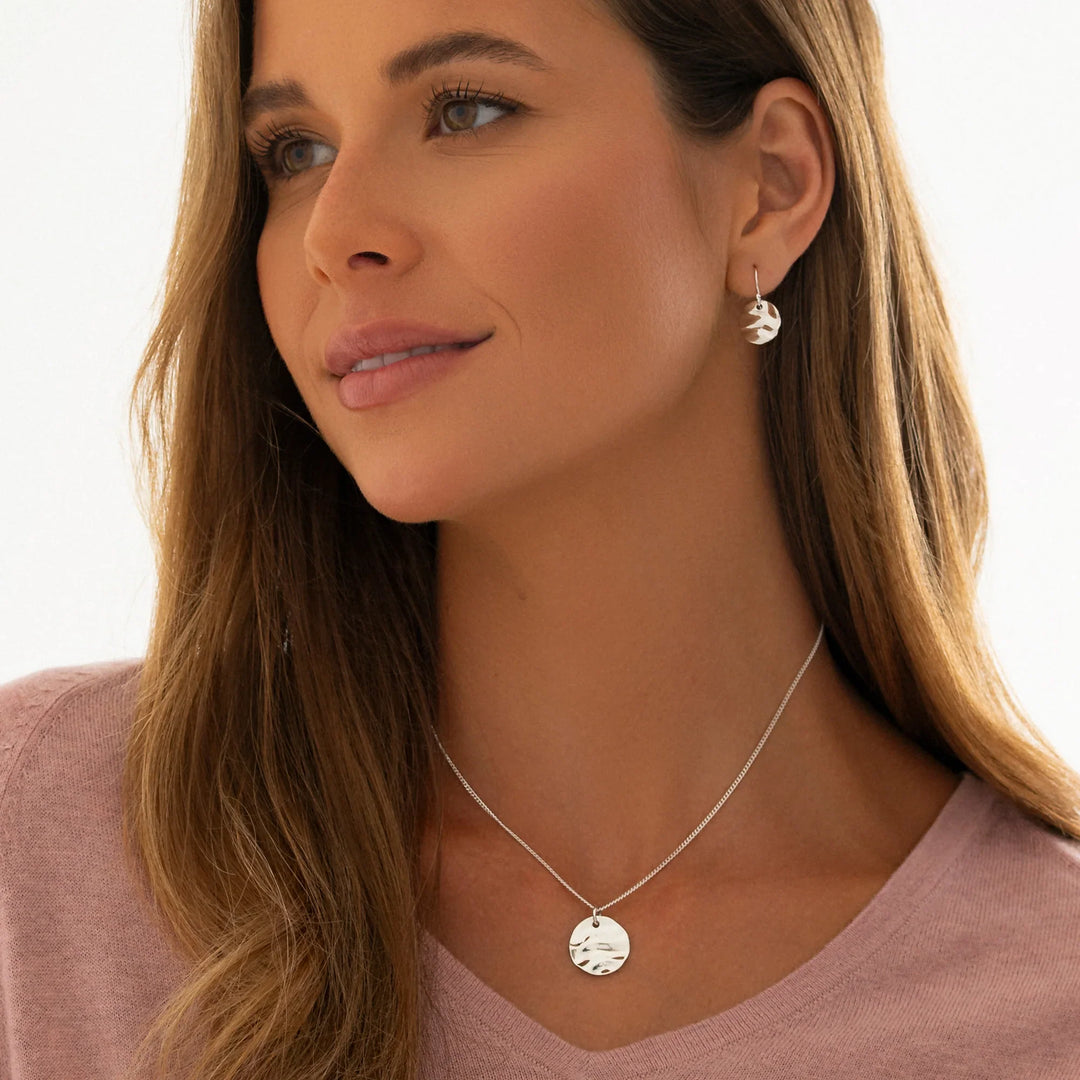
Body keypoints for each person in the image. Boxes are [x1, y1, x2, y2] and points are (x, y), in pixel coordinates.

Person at [2, 0, 1079, 1077]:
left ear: (772, 186)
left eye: (464, 110)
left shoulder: (1047, 989)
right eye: (296, 151)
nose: (334, 233)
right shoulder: (42, 849)